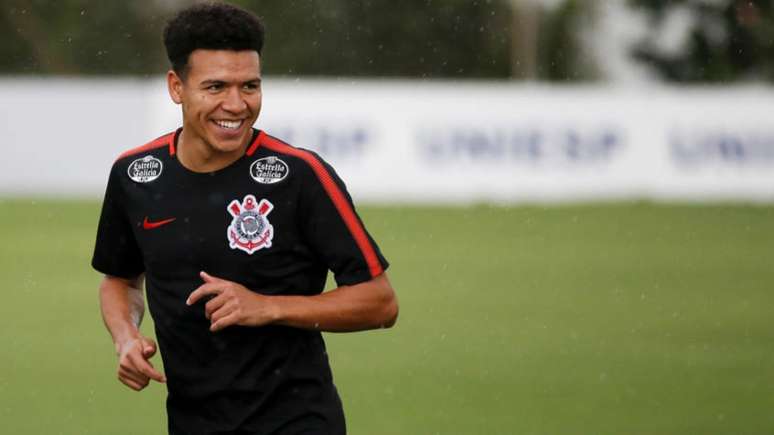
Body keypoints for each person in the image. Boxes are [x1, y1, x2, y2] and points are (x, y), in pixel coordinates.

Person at [91, 3, 398, 434]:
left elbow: (380, 302)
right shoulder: (135, 174)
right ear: (177, 87)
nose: (236, 105)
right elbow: (120, 280)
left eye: (249, 86)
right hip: (191, 423)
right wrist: (126, 337)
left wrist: (268, 307)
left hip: (295, 422)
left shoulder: (300, 175)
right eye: (216, 87)